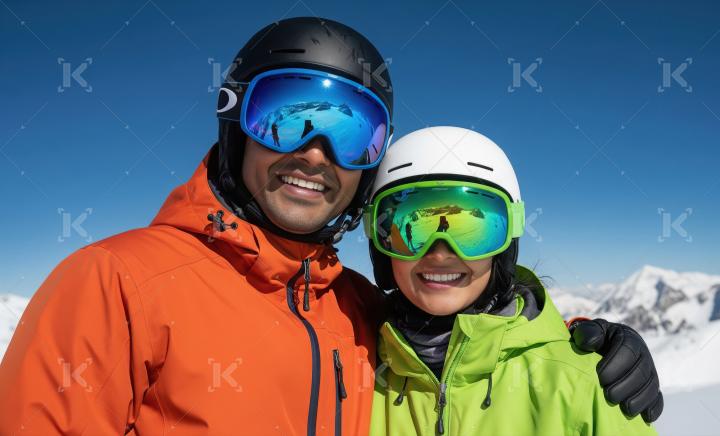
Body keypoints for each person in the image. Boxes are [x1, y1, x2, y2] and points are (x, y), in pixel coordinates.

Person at [0, 18, 661, 435]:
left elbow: (468, 344)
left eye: (353, 131)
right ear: (234, 124)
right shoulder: (118, 282)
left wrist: (581, 340)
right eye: (285, 114)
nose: (315, 152)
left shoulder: (359, 310)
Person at [365, 126, 658, 435]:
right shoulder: (352, 369)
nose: (440, 253)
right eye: (413, 228)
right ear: (380, 246)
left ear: (506, 247)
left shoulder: (585, 385)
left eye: (472, 230)